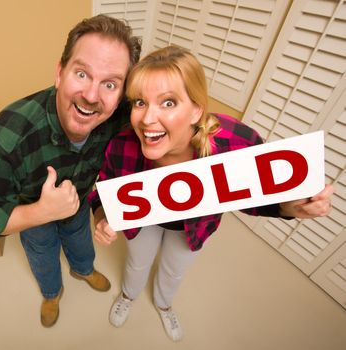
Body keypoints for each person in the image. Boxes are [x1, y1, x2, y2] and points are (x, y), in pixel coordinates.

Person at [89, 45, 334, 341]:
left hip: (194, 226)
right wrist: (102, 217)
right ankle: (128, 296)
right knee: (137, 262)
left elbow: (259, 195)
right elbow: (103, 190)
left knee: (173, 270)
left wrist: (290, 207)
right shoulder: (122, 144)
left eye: (168, 103)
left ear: (196, 109)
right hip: (143, 222)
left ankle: (164, 305)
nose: (147, 119)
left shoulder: (234, 142)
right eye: (140, 102)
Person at [0, 14, 142, 328]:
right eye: (82, 74)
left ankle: (82, 270)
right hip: (33, 213)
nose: (92, 95)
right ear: (60, 73)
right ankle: (52, 293)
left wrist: (101, 212)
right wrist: (40, 213)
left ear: (121, 94)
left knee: (82, 243)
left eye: (110, 83)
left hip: (80, 204)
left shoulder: (122, 115)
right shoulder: (10, 132)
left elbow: (168, 131)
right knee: (42, 256)